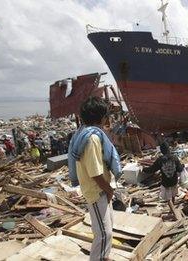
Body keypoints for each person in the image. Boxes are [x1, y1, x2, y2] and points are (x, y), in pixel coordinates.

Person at [67, 97, 122, 261]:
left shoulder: (85, 133)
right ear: (103, 117)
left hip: (99, 189)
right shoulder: (93, 139)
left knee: (106, 228)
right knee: (104, 233)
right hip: (97, 191)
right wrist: (109, 190)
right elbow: (95, 173)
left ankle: (103, 257)